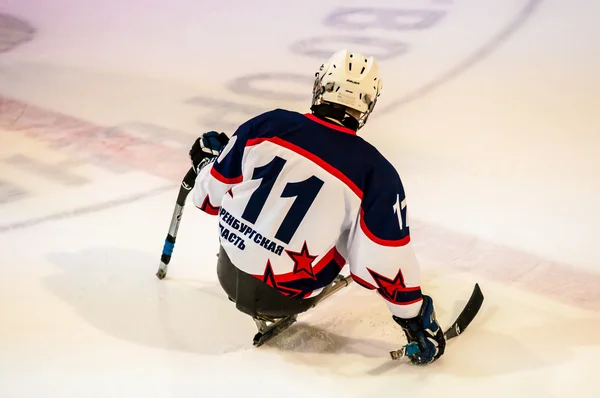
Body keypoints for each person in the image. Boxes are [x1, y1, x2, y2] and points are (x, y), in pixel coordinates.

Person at [187, 49, 446, 365]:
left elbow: (207, 197)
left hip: (227, 271)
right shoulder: (376, 172)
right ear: (368, 104)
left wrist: (208, 162)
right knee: (359, 232)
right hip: (286, 296)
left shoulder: (266, 124)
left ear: (320, 86)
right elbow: (381, 260)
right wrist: (414, 317)